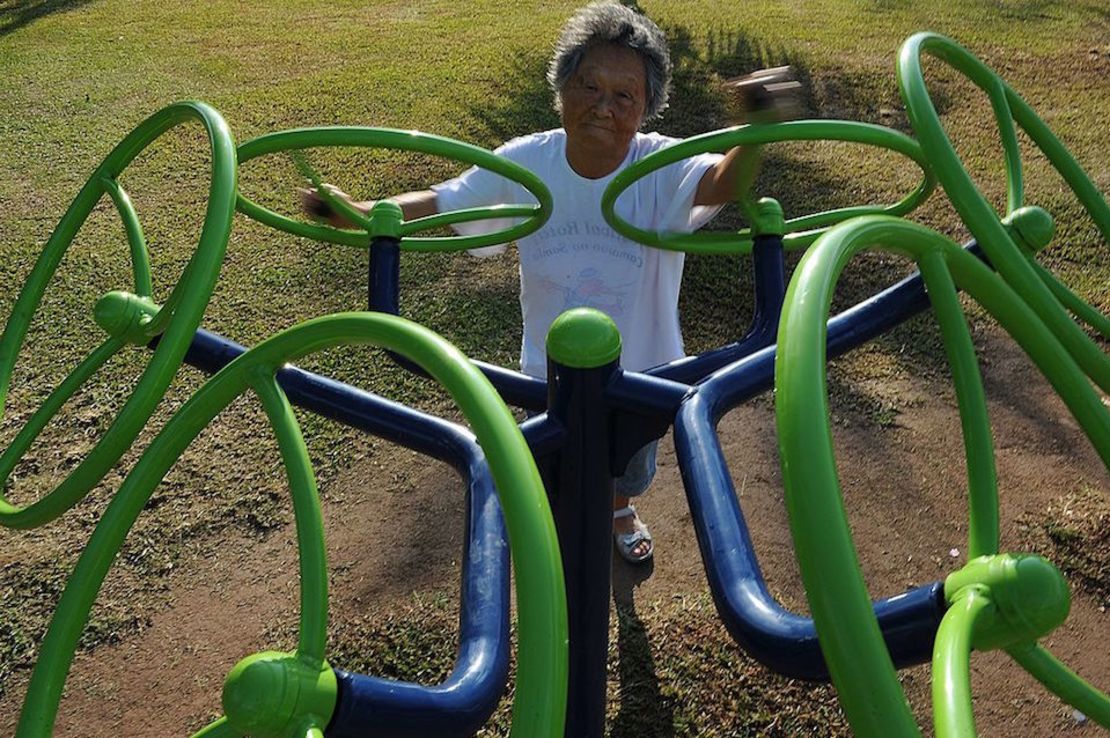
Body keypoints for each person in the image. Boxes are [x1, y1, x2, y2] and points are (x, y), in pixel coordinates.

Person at [303, 1, 771, 563]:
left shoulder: (658, 166)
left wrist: (760, 128)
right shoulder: (529, 164)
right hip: (548, 370)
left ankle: (619, 508)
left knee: (631, 463)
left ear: (647, 108)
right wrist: (360, 210)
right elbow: (443, 200)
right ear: (561, 89)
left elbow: (724, 182)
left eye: (625, 96)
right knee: (557, 456)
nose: (603, 106)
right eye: (588, 86)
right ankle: (561, 519)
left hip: (644, 370)